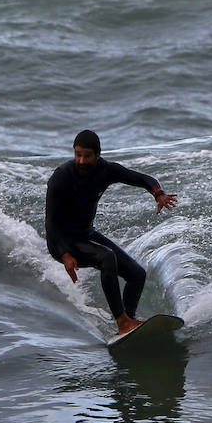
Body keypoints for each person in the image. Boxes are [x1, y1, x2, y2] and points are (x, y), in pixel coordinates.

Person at [45, 129, 178, 336]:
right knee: (107, 257)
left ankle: (127, 323)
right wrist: (64, 254)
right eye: (77, 154)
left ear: (98, 155)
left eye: (87, 155)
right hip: (63, 241)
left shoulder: (106, 170)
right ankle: (122, 322)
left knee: (137, 274)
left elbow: (142, 178)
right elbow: (51, 223)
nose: (81, 160)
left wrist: (158, 193)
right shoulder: (61, 177)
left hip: (85, 235)